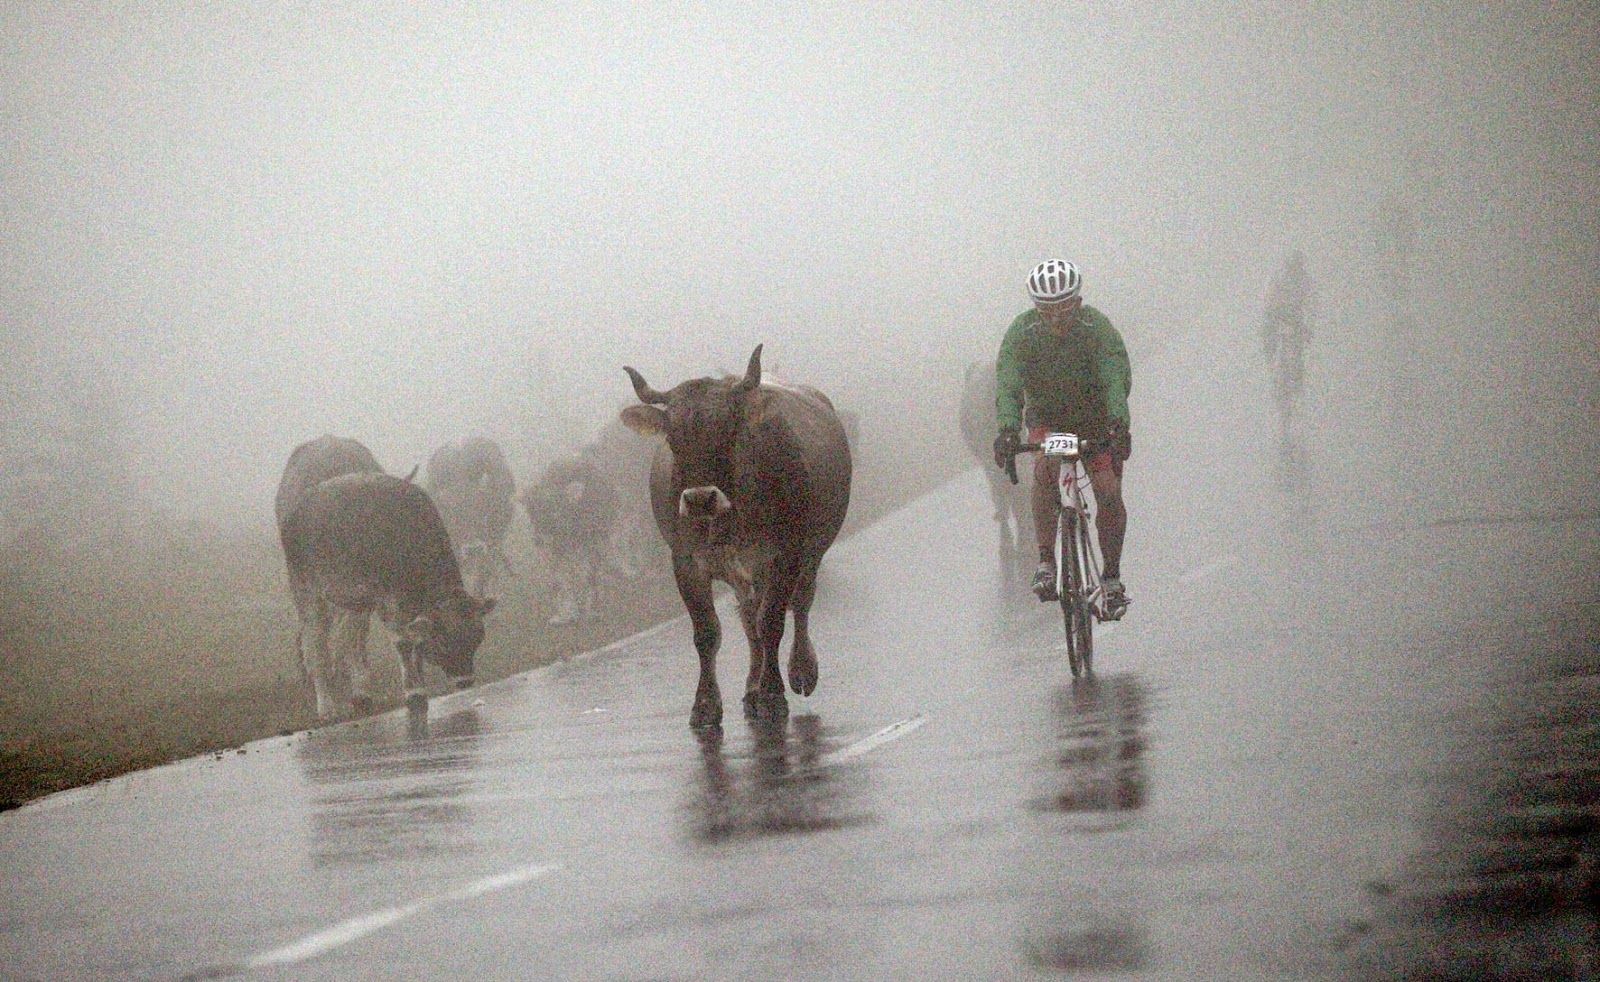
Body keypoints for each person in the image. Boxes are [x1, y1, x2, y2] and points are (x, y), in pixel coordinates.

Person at [991, 259, 1133, 618]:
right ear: (1035, 308)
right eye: (1046, 311)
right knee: (1045, 470)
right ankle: (1045, 561)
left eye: (1064, 309)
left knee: (1108, 492)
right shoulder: (1022, 333)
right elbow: (1008, 383)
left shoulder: (1096, 328)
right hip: (1050, 422)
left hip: (1095, 421)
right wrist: (1008, 428)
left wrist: (1119, 423)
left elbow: (1114, 374)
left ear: (1079, 302)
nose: (1055, 319)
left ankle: (1112, 579)